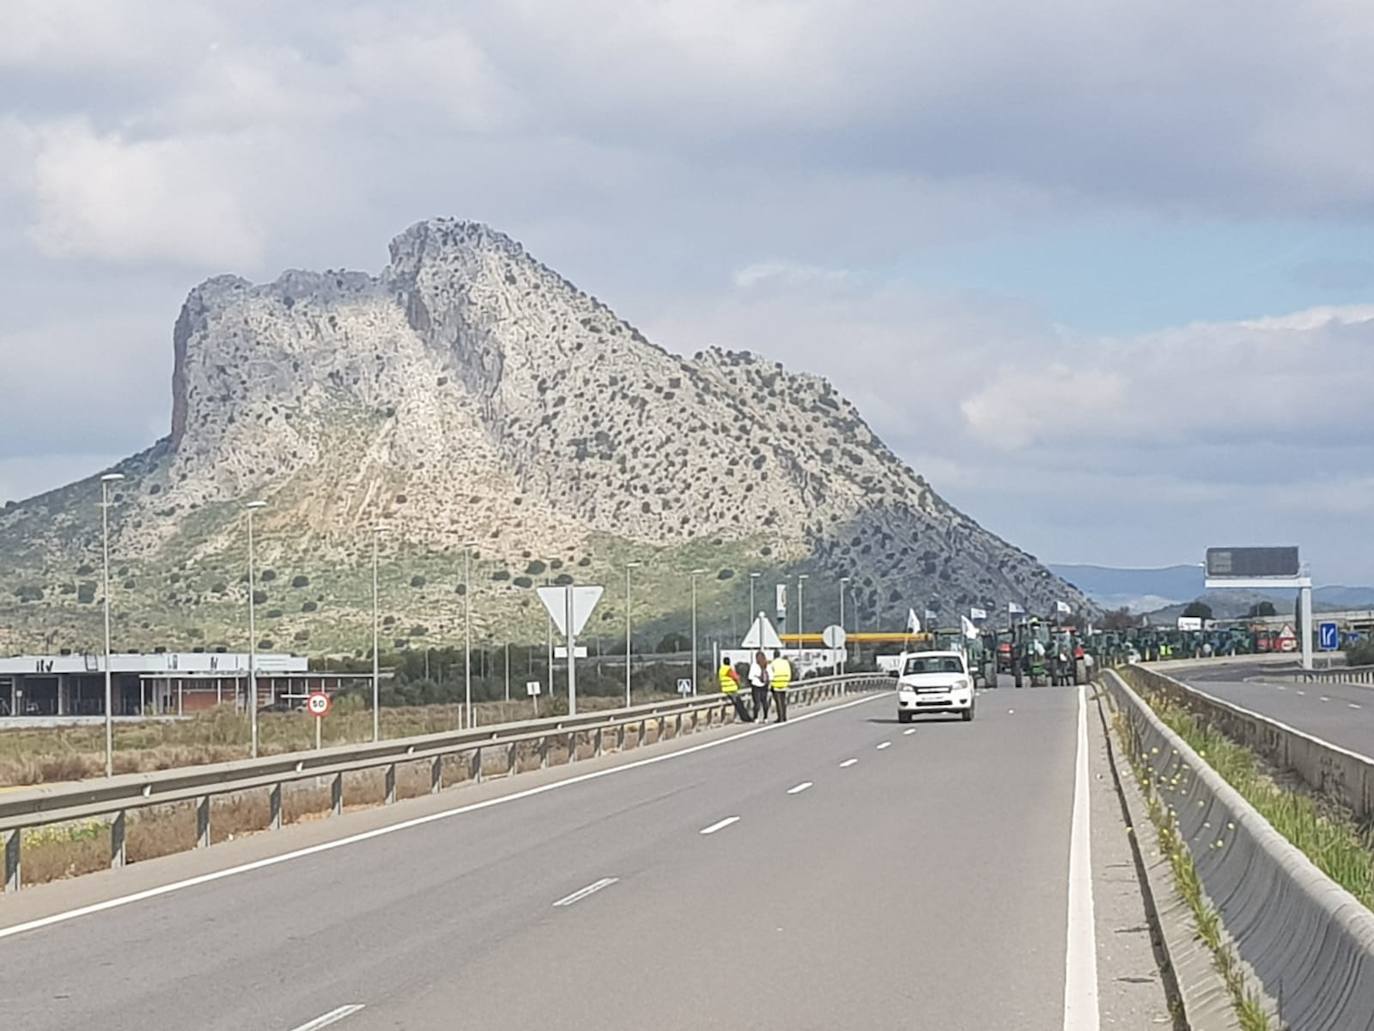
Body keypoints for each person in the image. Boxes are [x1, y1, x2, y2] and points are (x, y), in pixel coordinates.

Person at [718, 656, 750, 722]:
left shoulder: (721, 669)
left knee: (737, 704)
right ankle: (743, 718)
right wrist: (739, 682)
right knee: (739, 704)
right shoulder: (728, 669)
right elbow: (735, 677)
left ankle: (741, 717)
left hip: (725, 689)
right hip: (731, 689)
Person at [767, 649, 793, 722]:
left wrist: (770, 683)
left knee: (778, 702)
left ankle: (780, 717)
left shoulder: (773, 663)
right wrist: (787, 681)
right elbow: (789, 672)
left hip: (776, 683)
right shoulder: (785, 662)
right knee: (783, 701)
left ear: (774, 655)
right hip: (784, 683)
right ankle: (784, 717)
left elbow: (770, 675)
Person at [748, 649, 770, 722]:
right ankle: (765, 717)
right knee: (764, 701)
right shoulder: (767, 665)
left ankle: (756, 717)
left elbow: (750, 677)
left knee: (757, 702)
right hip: (765, 686)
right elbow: (771, 676)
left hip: (756, 686)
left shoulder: (754, 665)